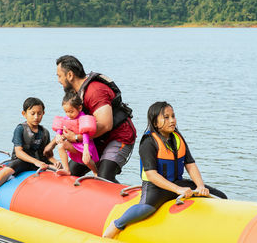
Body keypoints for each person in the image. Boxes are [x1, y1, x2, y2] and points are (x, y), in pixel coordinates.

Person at [103, 101, 227, 238]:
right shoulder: (148, 142)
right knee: (145, 208)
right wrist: (177, 190)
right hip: (155, 187)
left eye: (173, 116)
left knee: (220, 196)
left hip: (177, 183)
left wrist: (200, 186)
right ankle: (117, 224)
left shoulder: (178, 138)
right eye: (166, 117)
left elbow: (190, 165)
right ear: (155, 123)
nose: (172, 120)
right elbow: (151, 175)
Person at [44, 55, 136, 183]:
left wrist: (76, 138)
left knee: (104, 177)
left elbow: (105, 125)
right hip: (96, 140)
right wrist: (52, 144)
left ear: (70, 75)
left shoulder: (95, 91)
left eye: (59, 76)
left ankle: (127, 200)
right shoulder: (76, 94)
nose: (59, 80)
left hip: (119, 137)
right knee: (71, 174)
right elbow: (72, 123)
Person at [0, 97, 62, 205]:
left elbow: (46, 153)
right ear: (24, 114)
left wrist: (54, 161)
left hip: (39, 161)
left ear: (43, 113)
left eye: (39, 113)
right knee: (9, 170)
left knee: (59, 169)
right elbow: (19, 151)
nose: (36, 117)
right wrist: (35, 162)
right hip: (23, 160)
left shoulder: (44, 132)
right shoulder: (20, 129)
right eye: (32, 113)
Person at [44, 91, 99, 176]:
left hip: (85, 145)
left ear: (80, 108)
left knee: (86, 160)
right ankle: (66, 170)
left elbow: (85, 134)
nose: (68, 114)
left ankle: (96, 172)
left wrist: (86, 150)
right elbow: (60, 128)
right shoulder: (67, 118)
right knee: (61, 145)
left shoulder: (82, 118)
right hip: (74, 146)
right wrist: (58, 135)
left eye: (71, 111)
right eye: (66, 112)